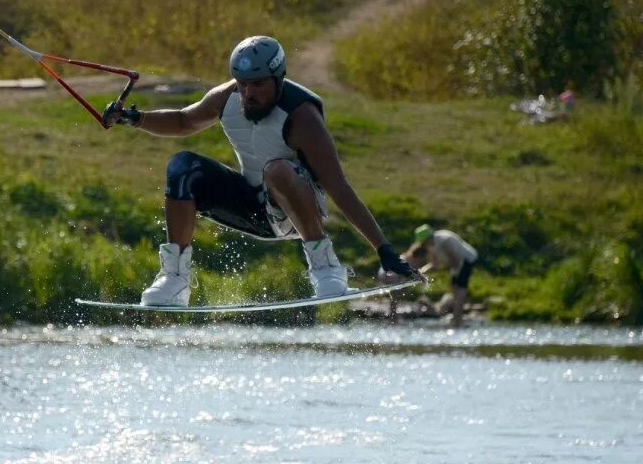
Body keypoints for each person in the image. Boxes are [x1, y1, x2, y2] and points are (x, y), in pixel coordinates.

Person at [104, 36, 422, 306]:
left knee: (277, 170)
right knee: (183, 166)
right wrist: (134, 118)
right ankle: (175, 280)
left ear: (278, 78)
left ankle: (326, 269)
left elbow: (339, 187)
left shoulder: (302, 117)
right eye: (243, 85)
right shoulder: (227, 97)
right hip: (253, 207)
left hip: (295, 211)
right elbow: (185, 121)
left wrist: (385, 250)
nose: (248, 94)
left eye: (257, 84)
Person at [403, 223, 478, 326]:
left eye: (423, 242)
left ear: (427, 239)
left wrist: (442, 269)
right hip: (456, 264)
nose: (423, 245)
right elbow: (434, 264)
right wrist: (419, 273)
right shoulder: (432, 245)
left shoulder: (444, 240)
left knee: (460, 291)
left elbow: (455, 261)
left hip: (466, 260)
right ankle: (457, 318)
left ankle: (457, 320)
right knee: (454, 289)